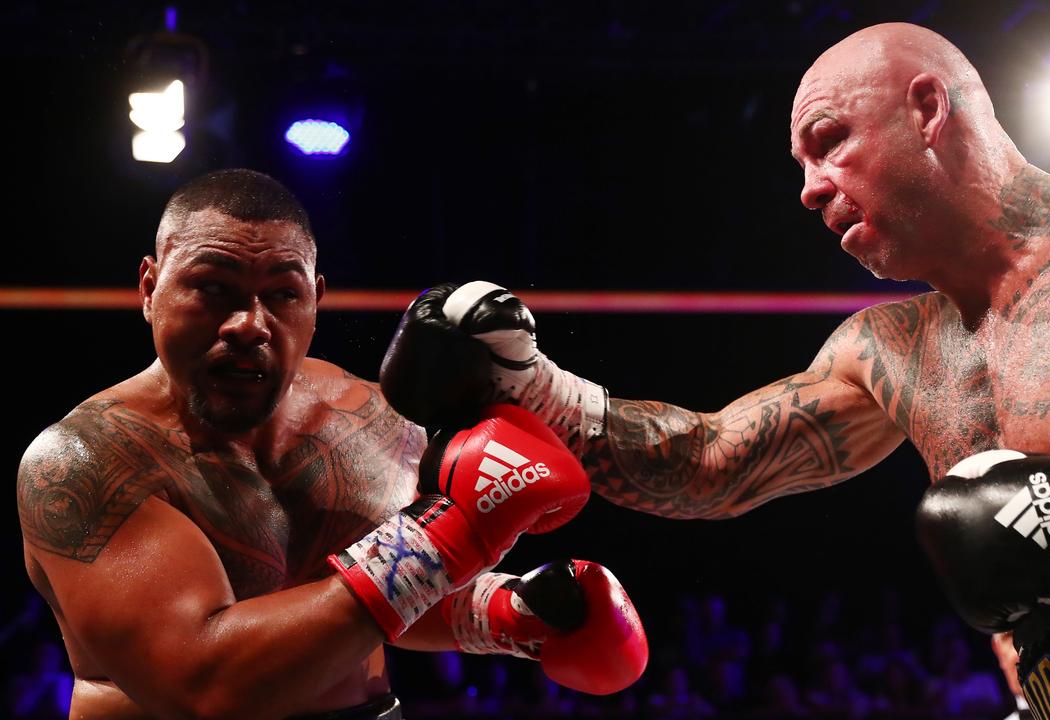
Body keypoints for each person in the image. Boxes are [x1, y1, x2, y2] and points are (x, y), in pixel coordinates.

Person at [383, 21, 1050, 719]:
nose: (810, 187)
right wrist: (524, 378)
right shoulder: (888, 350)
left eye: (830, 141)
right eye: (801, 164)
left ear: (928, 109)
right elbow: (710, 466)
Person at [15, 169, 647, 719]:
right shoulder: (87, 461)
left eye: (282, 294)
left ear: (317, 298)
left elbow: (361, 601)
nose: (248, 325)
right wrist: (454, 536)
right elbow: (205, 689)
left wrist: (504, 613)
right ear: (151, 289)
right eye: (213, 288)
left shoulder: (368, 418)